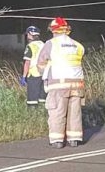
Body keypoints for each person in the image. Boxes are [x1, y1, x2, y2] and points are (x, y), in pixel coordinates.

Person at [37, 17, 85, 149]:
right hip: (77, 85)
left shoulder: (51, 44)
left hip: (58, 84)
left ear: (53, 30)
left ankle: (57, 141)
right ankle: (74, 139)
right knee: (74, 113)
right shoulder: (77, 45)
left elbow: (40, 64)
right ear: (67, 29)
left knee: (57, 111)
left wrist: (44, 75)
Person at [20, 25, 46, 107]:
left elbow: (27, 62)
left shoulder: (30, 46)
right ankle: (42, 114)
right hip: (44, 74)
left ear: (31, 34)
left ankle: (33, 115)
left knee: (32, 99)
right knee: (42, 97)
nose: (27, 36)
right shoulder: (44, 44)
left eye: (27, 34)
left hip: (34, 74)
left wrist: (24, 77)